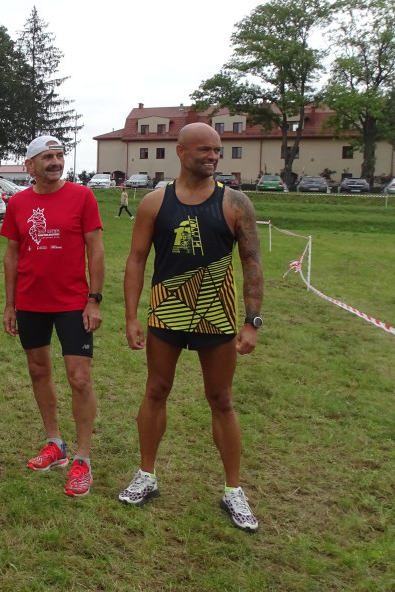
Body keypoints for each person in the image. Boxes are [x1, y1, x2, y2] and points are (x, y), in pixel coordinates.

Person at [119, 122, 264, 533]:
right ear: (180, 152)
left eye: (217, 150)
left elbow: (252, 264)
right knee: (156, 390)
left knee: (221, 398)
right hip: (166, 313)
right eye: (204, 149)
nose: (213, 156)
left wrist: (252, 320)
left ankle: (233, 490)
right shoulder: (153, 202)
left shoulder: (236, 203)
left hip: (216, 315)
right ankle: (146, 475)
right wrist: (131, 316)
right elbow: (136, 259)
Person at [1, 135, 105, 497]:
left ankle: (83, 459)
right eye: (47, 157)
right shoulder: (18, 203)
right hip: (31, 302)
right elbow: (12, 255)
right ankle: (55, 444)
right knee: (38, 370)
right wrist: (10, 303)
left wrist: (94, 300)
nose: (56, 162)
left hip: (73, 303)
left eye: (59, 156)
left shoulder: (82, 197)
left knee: (79, 378)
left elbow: (96, 249)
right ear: (30, 165)